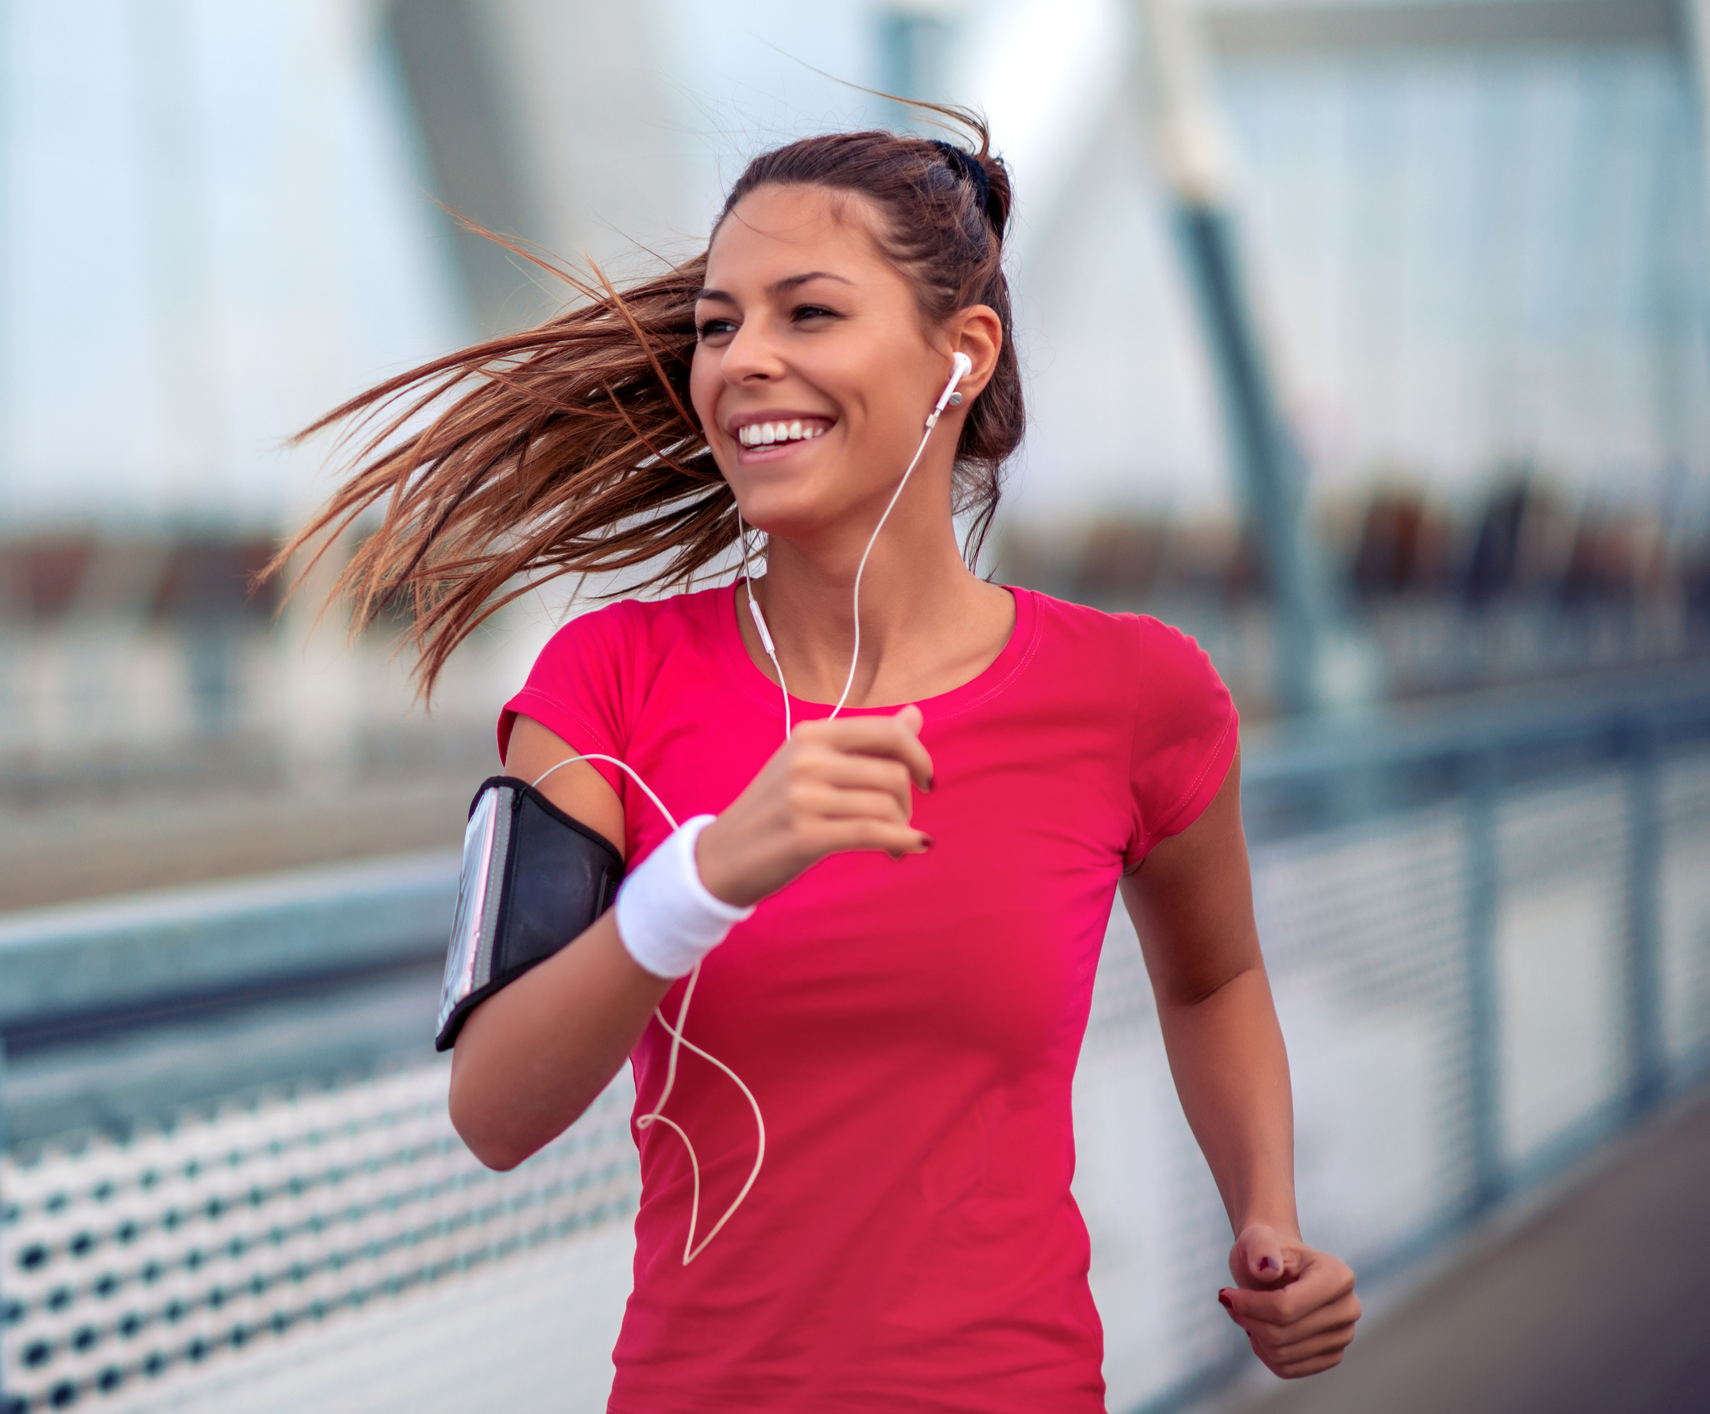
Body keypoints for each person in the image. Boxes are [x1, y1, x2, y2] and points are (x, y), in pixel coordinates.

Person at [275, 111, 1359, 1412]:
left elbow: (1216, 974)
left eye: (808, 314)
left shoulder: (1137, 694)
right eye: (720, 324)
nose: (744, 363)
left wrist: (1269, 1211)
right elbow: (492, 1110)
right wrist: (698, 880)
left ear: (961, 355)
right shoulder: (605, 682)